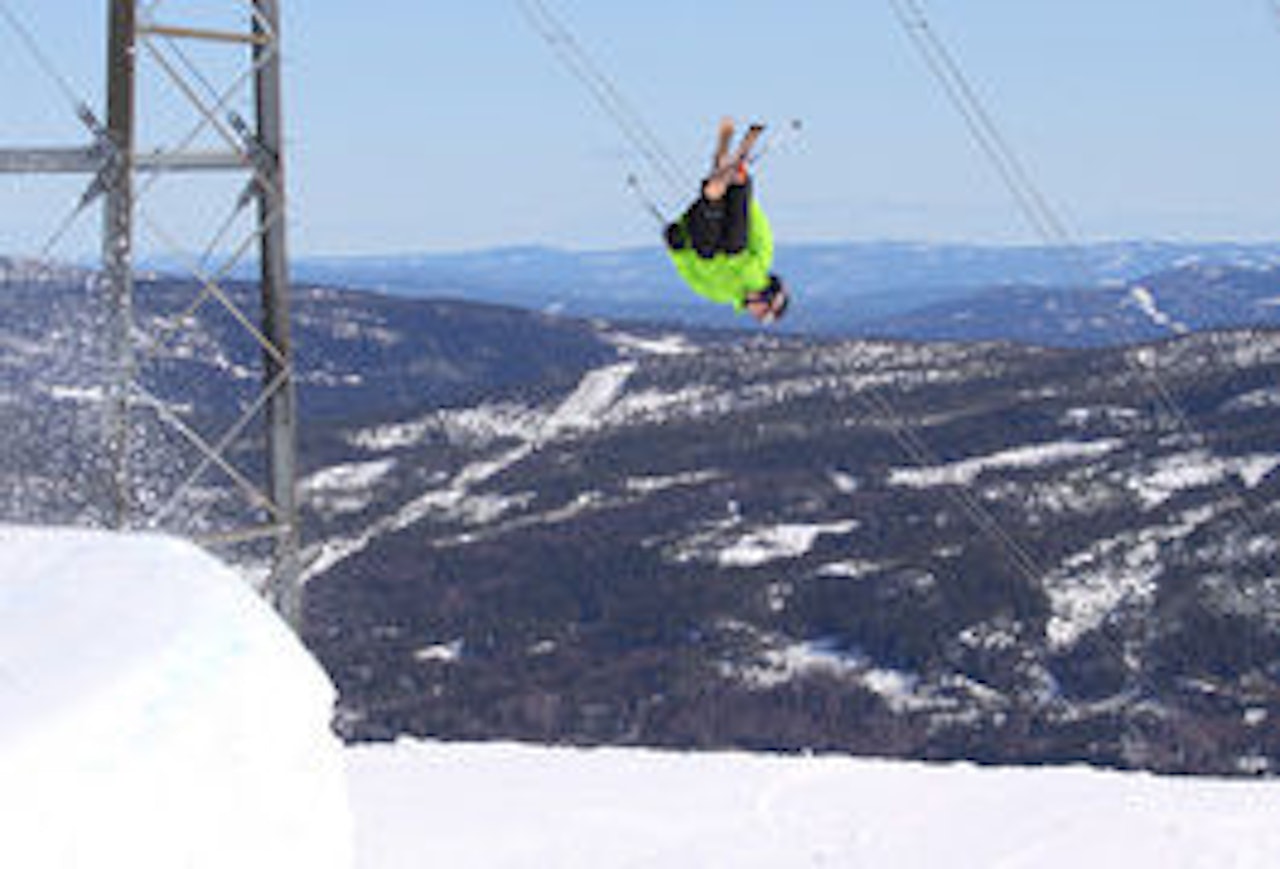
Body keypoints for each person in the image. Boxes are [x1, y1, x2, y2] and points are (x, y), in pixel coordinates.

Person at [663, 117, 790, 324]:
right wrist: (741, 198)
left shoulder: (718, 293)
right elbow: (757, 228)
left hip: (699, 230)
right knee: (735, 246)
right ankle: (733, 179)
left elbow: (688, 272)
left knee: (707, 251)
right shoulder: (761, 264)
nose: (755, 314)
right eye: (762, 313)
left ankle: (722, 179)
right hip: (730, 218)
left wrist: (675, 247)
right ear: (770, 300)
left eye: (759, 317)